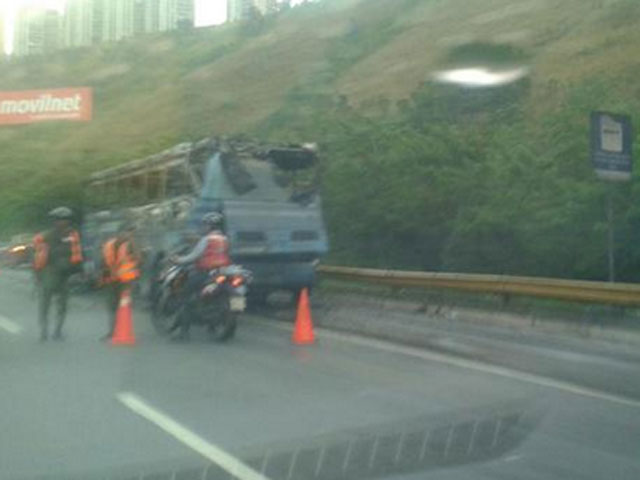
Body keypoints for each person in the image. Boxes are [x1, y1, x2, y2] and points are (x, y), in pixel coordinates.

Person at [170, 212, 231, 340]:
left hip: (205, 273)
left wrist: (178, 260)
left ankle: (184, 333)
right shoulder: (225, 239)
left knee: (184, 296)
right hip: (222, 272)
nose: (204, 227)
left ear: (209, 226)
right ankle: (213, 325)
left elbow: (194, 256)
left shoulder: (206, 239)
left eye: (205, 225)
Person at [33, 207, 83, 342]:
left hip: (64, 275)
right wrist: (37, 275)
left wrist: (78, 272)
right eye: (60, 219)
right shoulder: (45, 236)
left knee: (63, 305)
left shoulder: (73, 236)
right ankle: (44, 331)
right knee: (45, 303)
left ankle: (58, 331)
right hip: (49, 272)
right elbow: (38, 257)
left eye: (65, 219)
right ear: (54, 221)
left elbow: (77, 254)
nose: (63, 222)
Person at [100, 222, 141, 341]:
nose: (128, 235)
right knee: (111, 306)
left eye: (131, 232)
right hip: (111, 279)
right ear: (119, 233)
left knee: (124, 306)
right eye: (127, 232)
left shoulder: (131, 245)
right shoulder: (109, 244)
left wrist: (133, 244)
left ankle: (123, 332)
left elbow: (139, 260)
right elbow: (104, 261)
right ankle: (112, 332)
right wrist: (103, 276)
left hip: (125, 282)